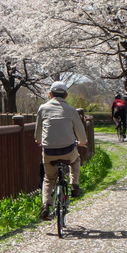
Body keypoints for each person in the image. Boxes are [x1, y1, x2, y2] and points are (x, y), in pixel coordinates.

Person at [35, 81, 88, 220]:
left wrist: (39, 140)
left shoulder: (43, 108)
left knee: (49, 178)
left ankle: (46, 205)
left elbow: (38, 132)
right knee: (75, 160)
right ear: (66, 95)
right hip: (68, 151)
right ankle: (74, 185)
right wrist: (82, 141)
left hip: (49, 152)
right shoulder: (71, 110)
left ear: (50, 94)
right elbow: (80, 132)